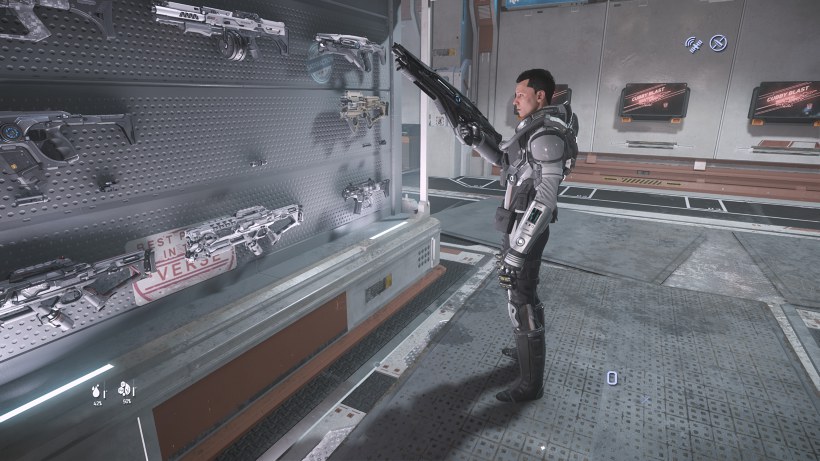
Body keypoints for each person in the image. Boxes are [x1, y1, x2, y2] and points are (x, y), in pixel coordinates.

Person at [457, 69, 578, 402]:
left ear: (540, 96)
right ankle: (526, 350)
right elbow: (507, 161)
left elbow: (545, 200)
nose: (515, 100)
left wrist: (518, 249)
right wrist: (477, 141)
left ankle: (530, 385)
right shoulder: (534, 130)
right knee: (524, 295)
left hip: (527, 231)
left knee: (520, 302)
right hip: (517, 226)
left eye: (521, 94)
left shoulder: (546, 135)